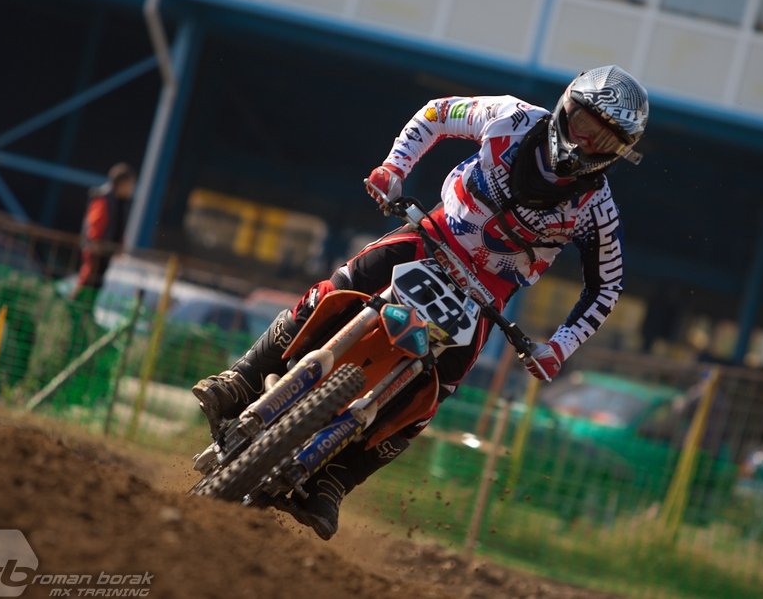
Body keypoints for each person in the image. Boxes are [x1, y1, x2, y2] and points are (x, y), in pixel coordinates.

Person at [192, 65, 648, 539]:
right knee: (340, 286)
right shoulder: (511, 118)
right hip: (432, 236)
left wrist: (559, 347)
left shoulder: (598, 209)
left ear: (620, 152)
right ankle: (241, 380)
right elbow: (436, 114)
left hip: (488, 292)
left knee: (436, 392)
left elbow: (607, 286)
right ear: (566, 107)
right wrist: (394, 168)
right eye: (584, 125)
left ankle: (335, 481)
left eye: (605, 141)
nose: (586, 144)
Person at [73, 162, 136, 310]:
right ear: (121, 183)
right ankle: (74, 307)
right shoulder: (104, 199)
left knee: (98, 282)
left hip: (106, 251)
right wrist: (95, 244)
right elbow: (94, 224)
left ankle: (85, 310)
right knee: (88, 279)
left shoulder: (121, 202)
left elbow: (118, 227)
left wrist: (120, 246)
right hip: (96, 250)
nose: (132, 188)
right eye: (130, 184)